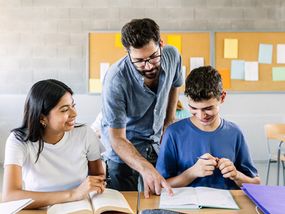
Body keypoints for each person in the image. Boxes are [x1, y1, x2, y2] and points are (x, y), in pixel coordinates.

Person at [101, 18, 183, 197]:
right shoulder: (115, 80)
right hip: (123, 151)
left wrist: (169, 120)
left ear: (161, 43)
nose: (148, 66)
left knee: (158, 201)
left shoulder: (172, 55)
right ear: (127, 52)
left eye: (153, 56)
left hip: (155, 143)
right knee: (124, 205)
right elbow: (117, 138)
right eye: (139, 60)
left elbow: (175, 84)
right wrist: (145, 167)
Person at [2, 79, 106, 209]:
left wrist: (95, 185)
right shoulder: (18, 141)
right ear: (42, 118)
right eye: (64, 110)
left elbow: (98, 176)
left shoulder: (84, 133)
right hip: (40, 209)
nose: (74, 113)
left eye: (73, 105)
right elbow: (10, 196)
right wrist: (73, 194)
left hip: (80, 207)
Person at [156, 66, 261, 189]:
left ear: (222, 98)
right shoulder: (174, 133)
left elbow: (256, 184)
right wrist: (191, 173)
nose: (201, 116)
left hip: (228, 206)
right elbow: (160, 186)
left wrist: (236, 175)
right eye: (193, 108)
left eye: (208, 108)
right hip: (186, 207)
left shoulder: (234, 133)